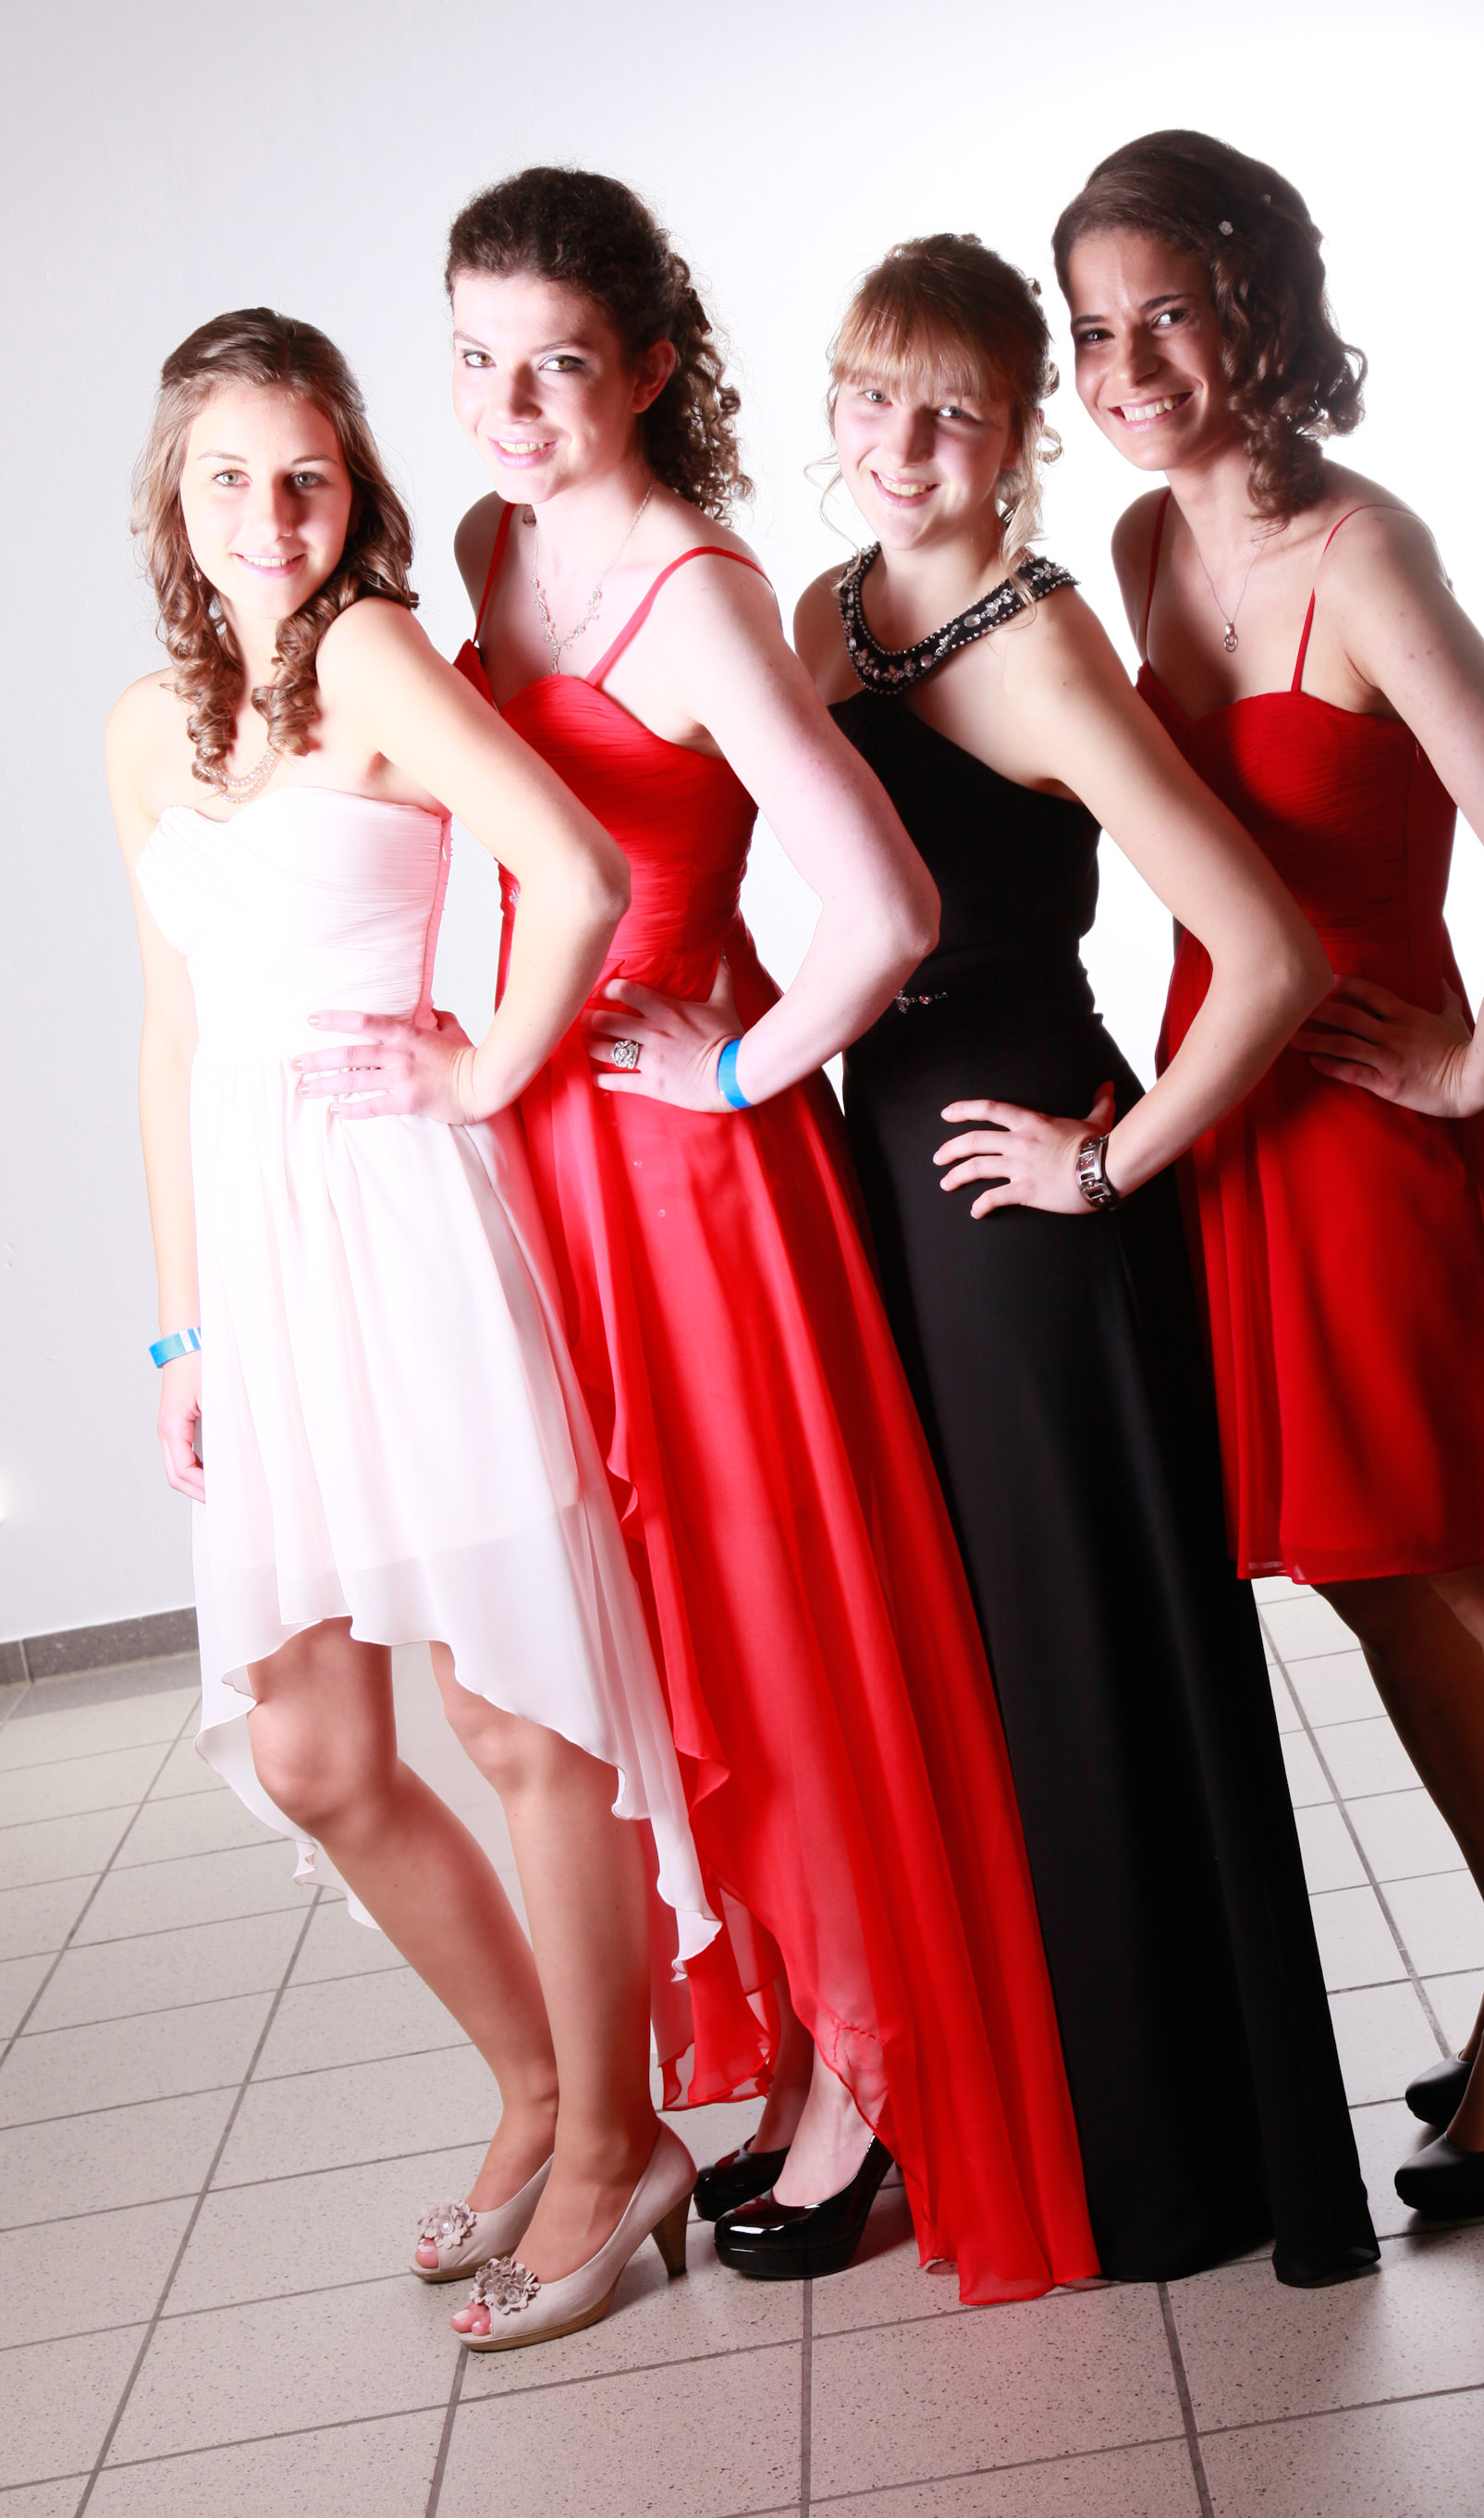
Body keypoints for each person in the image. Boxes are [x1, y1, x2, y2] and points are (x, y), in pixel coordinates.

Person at [403, 166, 1098, 2307]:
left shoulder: (693, 594)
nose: (511, 408)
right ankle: (786, 2040)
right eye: (476, 361)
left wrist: (729, 1076)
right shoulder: (488, 544)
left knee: (770, 1631)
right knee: (657, 1633)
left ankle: (870, 2078)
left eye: (558, 366)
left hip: (692, 1194)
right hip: (550, 1158)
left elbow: (883, 910)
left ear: (649, 369)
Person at [108, 309, 721, 2356]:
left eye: (306, 475)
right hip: (257, 1267)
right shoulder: (144, 728)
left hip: (396, 1219)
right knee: (311, 1745)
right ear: (173, 497)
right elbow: (174, 1036)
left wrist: (483, 1071)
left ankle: (615, 2141)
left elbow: (576, 867)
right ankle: (540, 2090)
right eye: (228, 478)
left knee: (512, 1714)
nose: (270, 515)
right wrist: (183, 1339)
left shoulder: (371, 654)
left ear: (351, 488)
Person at [1053, 130, 1484, 2216]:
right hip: (1232, 1121)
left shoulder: (1362, 554)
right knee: (1363, 1569)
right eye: (1090, 330)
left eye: (1167, 316)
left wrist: (1467, 1071)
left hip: (1374, 1140)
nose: (1125, 367)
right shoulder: (1137, 545)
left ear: (1260, 313)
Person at [795, 232, 1377, 2286]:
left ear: (1021, 434)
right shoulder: (822, 613)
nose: (903, 444)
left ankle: (1174, 2160)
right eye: (873, 396)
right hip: (883, 1169)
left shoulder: (1042, 648)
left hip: (1019, 1203)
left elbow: (1273, 954)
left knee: (1077, 1664)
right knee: (961, 1662)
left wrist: (1105, 1167)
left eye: (953, 410)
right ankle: (1015, 2111)